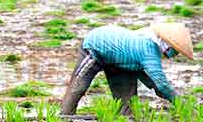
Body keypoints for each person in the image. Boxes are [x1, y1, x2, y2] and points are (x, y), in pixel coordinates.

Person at [62, 23, 193, 115]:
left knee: (127, 101)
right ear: (168, 46)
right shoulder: (148, 49)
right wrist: (180, 104)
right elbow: (162, 84)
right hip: (96, 47)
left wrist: (162, 92)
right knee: (79, 86)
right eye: (174, 52)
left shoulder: (147, 47)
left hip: (121, 62)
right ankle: (66, 116)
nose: (172, 56)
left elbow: (151, 81)